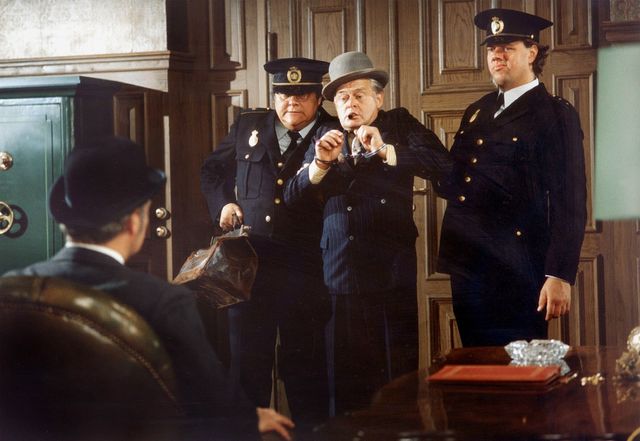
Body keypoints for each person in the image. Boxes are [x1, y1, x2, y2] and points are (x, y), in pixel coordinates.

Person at [3, 137, 294, 441]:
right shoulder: (164, 303)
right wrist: (250, 419)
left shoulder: (13, 288)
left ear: (65, 222)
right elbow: (213, 405)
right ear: (135, 223)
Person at [284, 51, 453, 415]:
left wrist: (384, 150)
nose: (350, 103)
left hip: (390, 273)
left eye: (359, 94)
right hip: (338, 274)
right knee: (344, 383)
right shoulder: (324, 135)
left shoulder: (400, 124)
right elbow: (291, 196)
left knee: (396, 381)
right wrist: (320, 164)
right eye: (342, 97)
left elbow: (444, 166)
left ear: (379, 97)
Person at [436, 9, 587, 347]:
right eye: (492, 48)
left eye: (507, 47)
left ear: (532, 52)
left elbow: (570, 201)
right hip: (467, 264)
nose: (497, 55)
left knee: (519, 368)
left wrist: (559, 274)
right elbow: (453, 179)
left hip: (517, 266)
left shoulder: (554, 113)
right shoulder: (478, 110)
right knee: (476, 364)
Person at [200, 58, 335, 426]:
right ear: (274, 96)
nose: (292, 102)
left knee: (306, 370)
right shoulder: (249, 125)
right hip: (251, 269)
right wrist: (223, 203)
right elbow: (211, 170)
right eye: (284, 94)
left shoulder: (334, 131)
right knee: (248, 368)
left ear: (318, 98)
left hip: (307, 271)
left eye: (302, 94)